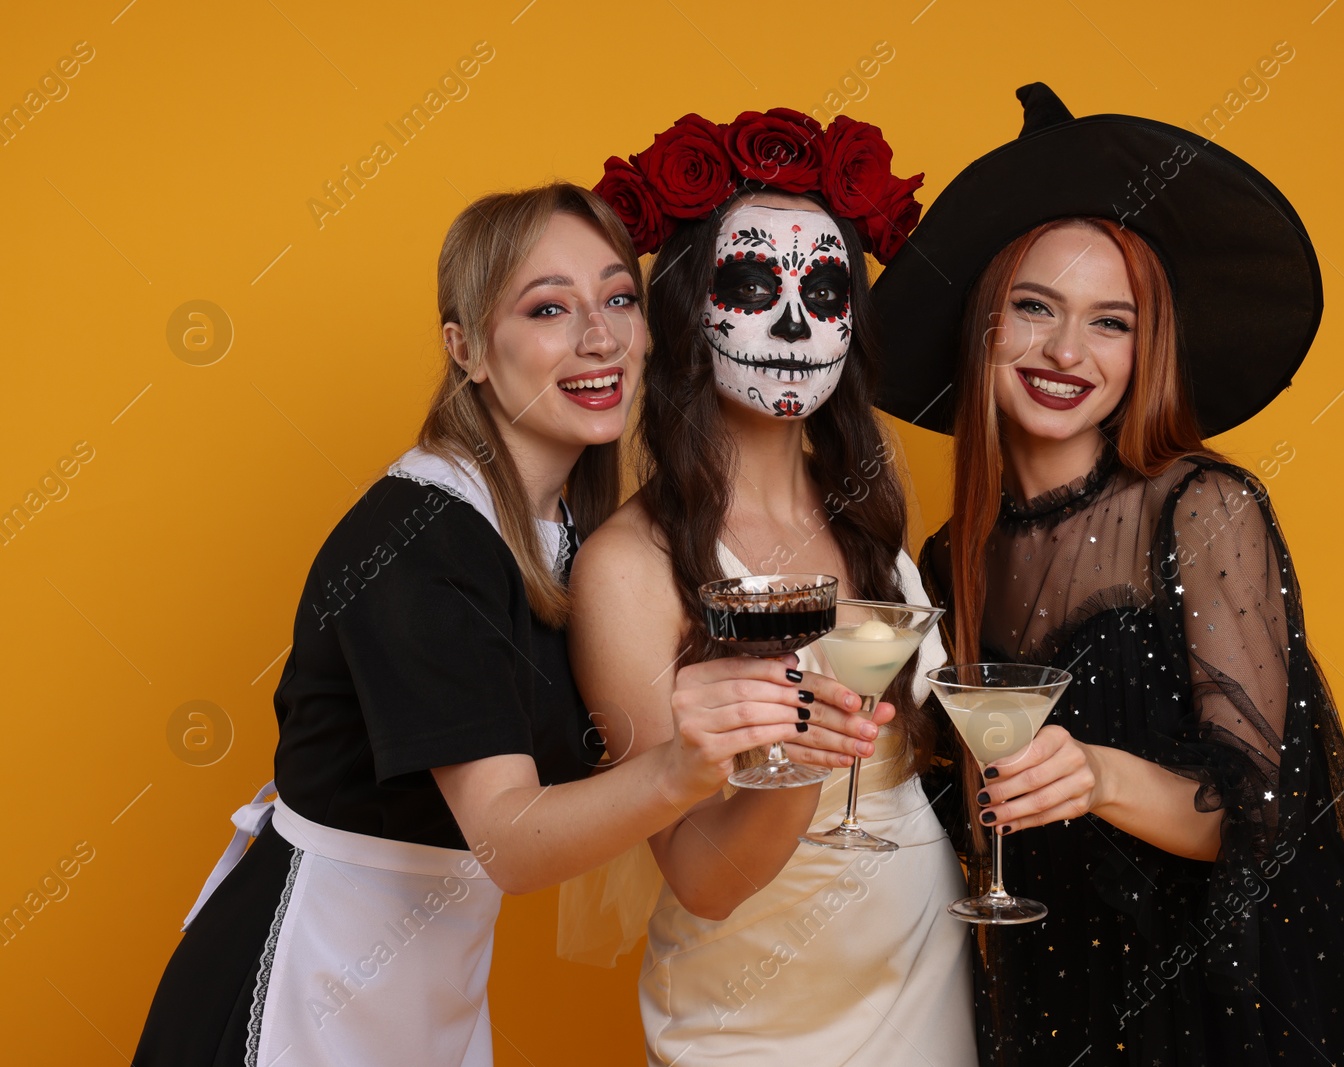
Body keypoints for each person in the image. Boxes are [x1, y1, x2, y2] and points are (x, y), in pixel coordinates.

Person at [134, 182, 871, 1066]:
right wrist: (686, 762)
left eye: (618, 298)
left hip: (429, 982)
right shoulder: (414, 540)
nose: (599, 338)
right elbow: (511, 841)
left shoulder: (562, 535)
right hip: (301, 983)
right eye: (549, 308)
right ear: (468, 349)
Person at [873, 85, 1344, 1066]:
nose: (1066, 350)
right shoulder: (948, 560)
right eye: (1034, 307)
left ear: (1149, 349)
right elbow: (962, 817)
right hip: (1056, 980)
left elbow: (1258, 812)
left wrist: (1096, 773)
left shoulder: (1202, 507)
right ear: (983, 322)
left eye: (1112, 321)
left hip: (1231, 988)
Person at [575, 108, 977, 1065]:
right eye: (752, 284)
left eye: (827, 288)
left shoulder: (874, 514)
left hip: (925, 971)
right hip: (752, 1013)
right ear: (685, 310)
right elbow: (701, 877)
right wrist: (805, 749)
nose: (793, 323)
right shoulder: (628, 566)